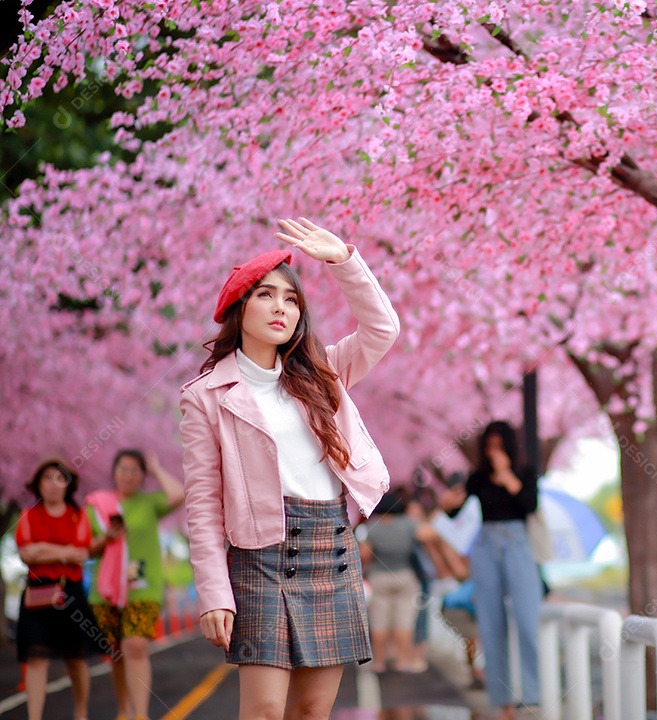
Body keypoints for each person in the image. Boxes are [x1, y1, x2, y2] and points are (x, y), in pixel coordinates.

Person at [180, 217, 398, 720]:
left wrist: (344, 260)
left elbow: (383, 329)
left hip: (333, 549)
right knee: (262, 712)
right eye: (265, 295)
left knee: (311, 712)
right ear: (239, 307)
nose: (281, 307)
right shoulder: (205, 397)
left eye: (291, 299)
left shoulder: (323, 372)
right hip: (260, 556)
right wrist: (214, 592)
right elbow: (203, 505)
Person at [440, 422, 543, 720]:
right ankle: (502, 700)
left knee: (527, 619)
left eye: (499, 444)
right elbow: (455, 509)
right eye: (489, 445)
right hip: (486, 546)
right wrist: (447, 505)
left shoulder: (525, 472)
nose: (493, 451)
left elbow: (529, 504)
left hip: (518, 544)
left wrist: (507, 474)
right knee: (491, 622)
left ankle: (532, 694)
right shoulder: (478, 478)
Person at [86, 449, 184, 720]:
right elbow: (87, 548)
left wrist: (157, 469)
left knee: (136, 646)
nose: (128, 475)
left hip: (144, 588)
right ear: (113, 472)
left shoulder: (149, 502)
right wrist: (106, 537)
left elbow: (178, 494)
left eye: (134, 470)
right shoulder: (96, 505)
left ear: (142, 475)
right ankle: (123, 711)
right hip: (105, 592)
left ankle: (140, 714)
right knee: (117, 652)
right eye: (123, 469)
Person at [15, 459, 104, 720]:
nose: (53, 485)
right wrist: (62, 552)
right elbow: (26, 553)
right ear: (37, 484)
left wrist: (44, 550)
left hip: (70, 593)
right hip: (37, 594)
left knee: (75, 659)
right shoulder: (28, 515)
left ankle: (81, 713)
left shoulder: (79, 516)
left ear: (68, 485)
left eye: (59, 478)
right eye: (47, 478)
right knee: (36, 658)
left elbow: (80, 554)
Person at [360, 489, 436, 673]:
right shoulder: (408, 524)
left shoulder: (372, 526)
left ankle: (379, 662)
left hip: (379, 577)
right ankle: (403, 661)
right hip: (405, 576)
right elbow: (429, 534)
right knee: (404, 620)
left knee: (379, 620)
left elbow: (364, 555)